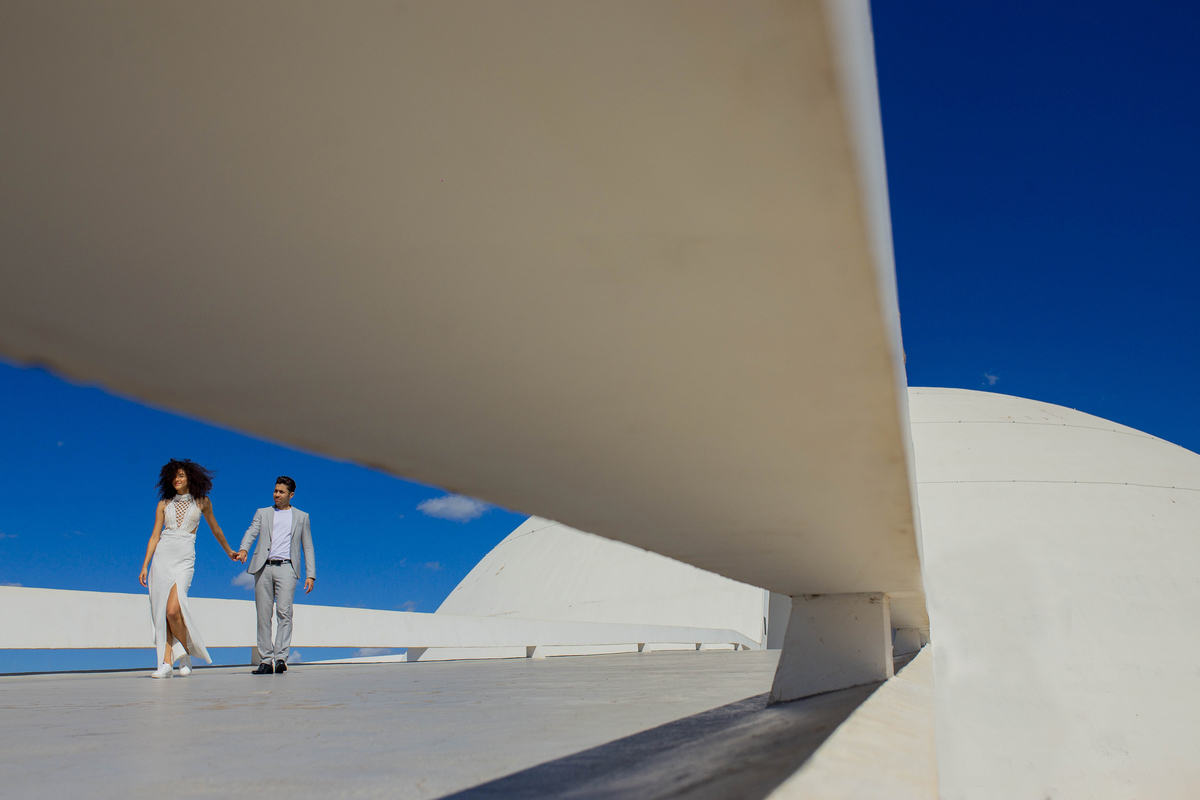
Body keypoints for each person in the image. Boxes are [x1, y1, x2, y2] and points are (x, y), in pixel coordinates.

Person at [139, 459, 239, 678]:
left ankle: (184, 653)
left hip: (184, 557)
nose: (177, 479)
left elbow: (216, 529)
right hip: (162, 557)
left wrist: (229, 551)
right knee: (161, 613)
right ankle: (166, 663)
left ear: (191, 477)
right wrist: (145, 565)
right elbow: (155, 535)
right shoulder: (164, 504)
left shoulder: (202, 502)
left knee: (173, 610)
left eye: (181, 475)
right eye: (174, 476)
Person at [234, 476, 316, 674]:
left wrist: (310, 574)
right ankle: (265, 660)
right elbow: (252, 531)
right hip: (263, 567)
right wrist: (243, 549)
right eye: (275, 491)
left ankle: (280, 658)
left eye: (281, 492)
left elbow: (307, 546)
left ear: (291, 495)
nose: (277, 494)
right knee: (263, 615)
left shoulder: (301, 516)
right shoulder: (263, 513)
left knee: (284, 613)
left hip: (287, 568)